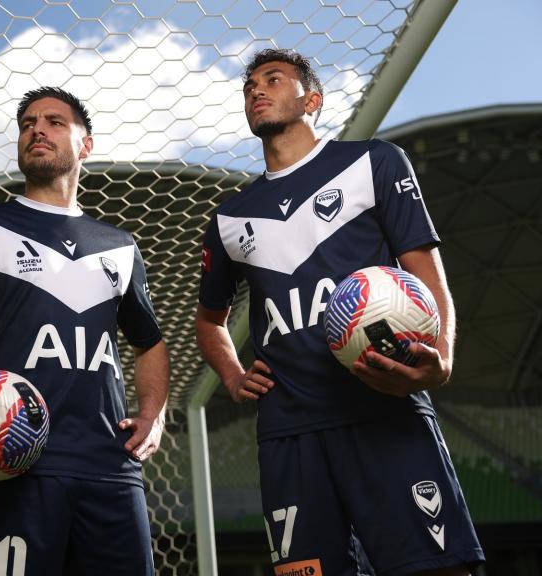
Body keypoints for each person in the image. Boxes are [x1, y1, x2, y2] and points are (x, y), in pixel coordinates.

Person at [195, 49, 485, 575]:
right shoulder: (230, 217)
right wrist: (234, 376)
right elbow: (209, 320)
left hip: (383, 404)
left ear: (313, 99)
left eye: (273, 79)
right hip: (289, 430)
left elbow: (424, 268)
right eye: (250, 86)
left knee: (438, 568)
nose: (256, 90)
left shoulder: (372, 162)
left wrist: (441, 355)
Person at [0, 86, 170, 575]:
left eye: (53, 121)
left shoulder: (118, 245)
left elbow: (149, 342)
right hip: (11, 459)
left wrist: (154, 415)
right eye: (28, 123)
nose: (37, 129)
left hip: (109, 467)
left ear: (84, 145)